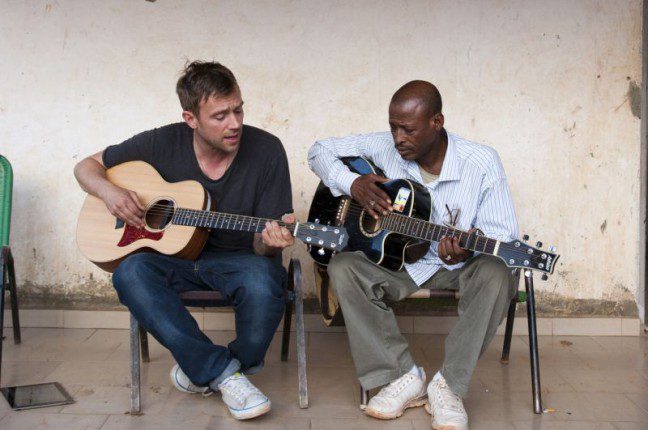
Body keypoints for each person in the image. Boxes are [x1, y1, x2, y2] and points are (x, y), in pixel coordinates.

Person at [74, 61, 294, 420]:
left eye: (238, 109)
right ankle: (225, 375)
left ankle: (211, 370)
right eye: (220, 115)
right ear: (191, 119)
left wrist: (271, 240)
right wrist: (109, 192)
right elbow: (85, 167)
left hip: (240, 261)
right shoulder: (162, 141)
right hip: (172, 261)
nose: (235, 123)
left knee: (264, 279)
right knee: (130, 273)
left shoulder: (267, 150)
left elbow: (261, 247)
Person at [307, 80, 519, 430]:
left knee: (498, 273)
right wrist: (352, 184)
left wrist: (467, 246)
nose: (397, 138)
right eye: (393, 126)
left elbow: (504, 237)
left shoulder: (481, 162)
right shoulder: (383, 146)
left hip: (457, 267)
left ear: (437, 122)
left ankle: (448, 387)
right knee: (343, 266)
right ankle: (401, 376)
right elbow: (318, 150)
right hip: (396, 264)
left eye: (408, 129)